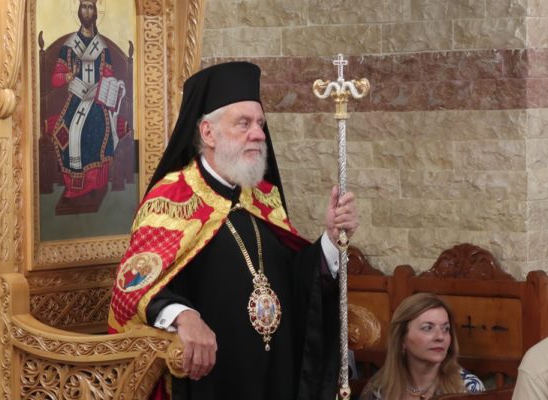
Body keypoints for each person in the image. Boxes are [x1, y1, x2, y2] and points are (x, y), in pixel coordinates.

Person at [108, 61, 359, 400]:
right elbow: (134, 286)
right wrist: (183, 316)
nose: (258, 134)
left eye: (260, 124)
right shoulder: (171, 199)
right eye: (244, 123)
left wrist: (330, 239)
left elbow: (295, 282)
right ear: (208, 133)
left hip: (275, 378)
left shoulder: (264, 198)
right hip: (212, 382)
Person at [48, 0, 126, 199]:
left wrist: (111, 85)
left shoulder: (102, 48)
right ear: (78, 10)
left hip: (97, 102)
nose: (87, 11)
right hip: (75, 100)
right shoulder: (68, 46)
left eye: (91, 7)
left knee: (97, 130)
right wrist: (70, 75)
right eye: (84, 6)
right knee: (68, 132)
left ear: (96, 12)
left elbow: (109, 75)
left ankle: (93, 184)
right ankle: (75, 184)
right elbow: (55, 79)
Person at [360, 293, 485, 400]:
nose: (440, 337)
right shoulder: (379, 389)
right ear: (402, 339)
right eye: (428, 328)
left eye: (445, 329)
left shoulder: (469, 388)